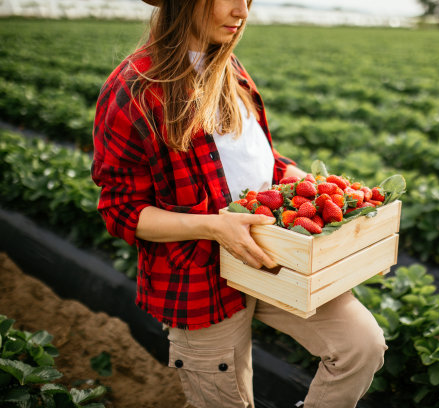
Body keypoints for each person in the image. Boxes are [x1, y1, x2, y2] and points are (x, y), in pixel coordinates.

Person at [91, 0, 387, 406]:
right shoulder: (134, 89)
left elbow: (259, 162)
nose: (242, 12)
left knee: (361, 345)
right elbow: (120, 209)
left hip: (271, 253)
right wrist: (213, 226)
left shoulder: (231, 70)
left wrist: (301, 179)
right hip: (198, 276)